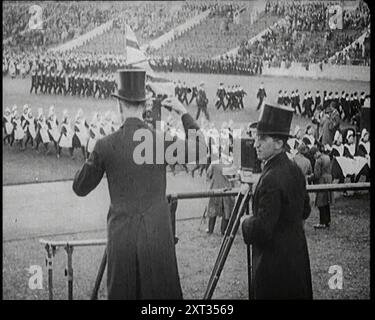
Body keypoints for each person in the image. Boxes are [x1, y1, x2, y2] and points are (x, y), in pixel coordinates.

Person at [72, 69, 206, 299]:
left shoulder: (105, 145)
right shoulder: (159, 141)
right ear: (144, 106)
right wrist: (184, 113)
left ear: (119, 105)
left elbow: (80, 187)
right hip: (157, 235)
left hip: (122, 238)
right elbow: (200, 149)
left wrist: (96, 156)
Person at [241, 103, 313, 299]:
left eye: (262, 139)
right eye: (256, 138)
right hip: (296, 261)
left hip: (274, 267)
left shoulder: (271, 177)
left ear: (279, 143)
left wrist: (245, 222)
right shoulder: (294, 169)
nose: (256, 144)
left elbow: (263, 229)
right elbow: (305, 210)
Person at [205, 162, 235, 235]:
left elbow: (208, 175)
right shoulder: (230, 163)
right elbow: (233, 177)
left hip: (216, 189)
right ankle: (223, 231)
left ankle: (210, 230)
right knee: (226, 211)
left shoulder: (214, 163)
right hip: (227, 190)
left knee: (213, 210)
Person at [308, 145, 333, 229]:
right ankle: (328, 221)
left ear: (315, 153)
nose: (313, 157)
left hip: (322, 181)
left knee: (320, 202)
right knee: (327, 201)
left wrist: (310, 177)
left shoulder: (318, 160)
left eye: (313, 155)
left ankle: (322, 222)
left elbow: (317, 175)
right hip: (329, 180)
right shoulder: (327, 157)